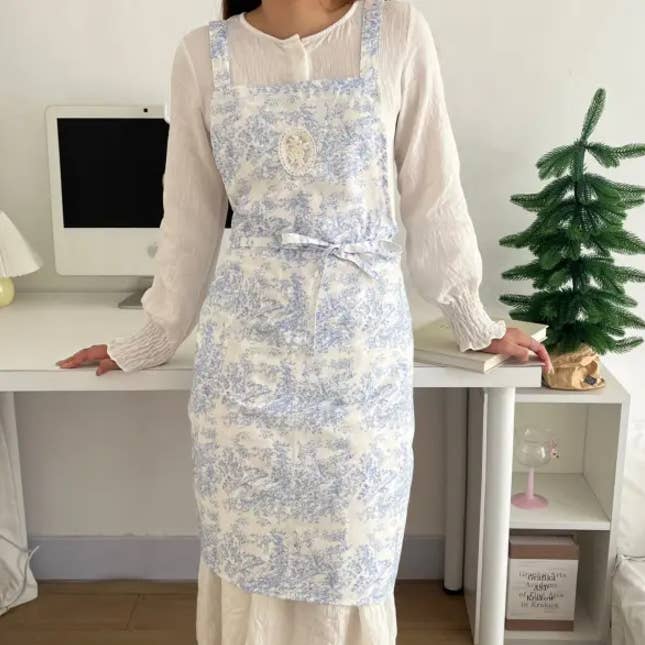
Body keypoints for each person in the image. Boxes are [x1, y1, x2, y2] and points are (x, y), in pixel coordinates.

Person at [57, 0, 553, 643]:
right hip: (246, 363)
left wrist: (471, 317)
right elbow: (189, 215)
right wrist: (154, 335)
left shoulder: (396, 31)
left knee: (352, 549)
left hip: (360, 362)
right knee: (247, 551)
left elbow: (434, 188)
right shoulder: (202, 55)